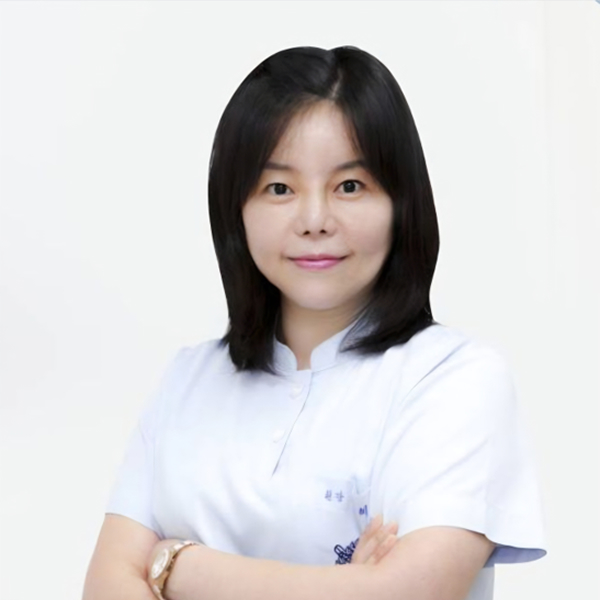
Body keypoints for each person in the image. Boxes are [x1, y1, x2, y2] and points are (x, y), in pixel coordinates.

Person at [84, 45, 547, 600]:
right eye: (279, 188)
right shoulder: (187, 380)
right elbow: (104, 588)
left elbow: (405, 595)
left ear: (401, 202)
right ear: (236, 209)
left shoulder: (454, 379)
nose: (314, 220)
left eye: (350, 186)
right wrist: (347, 583)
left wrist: (179, 567)